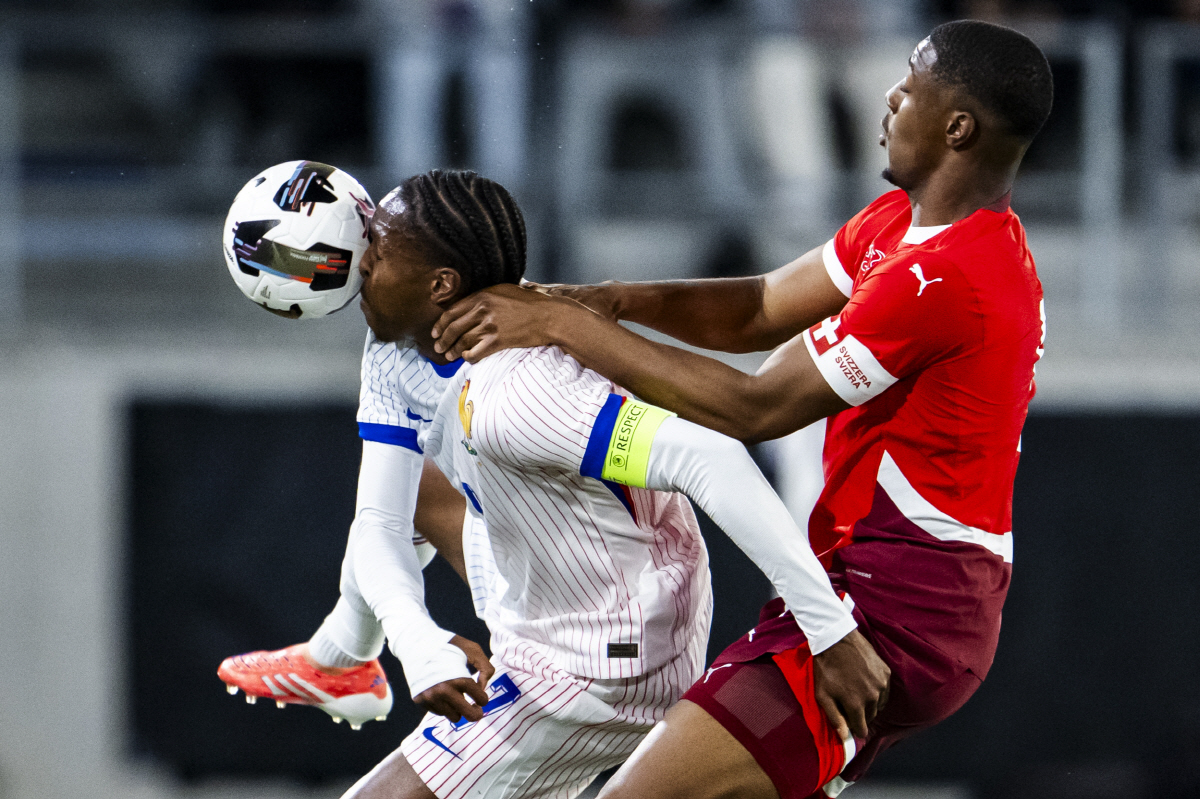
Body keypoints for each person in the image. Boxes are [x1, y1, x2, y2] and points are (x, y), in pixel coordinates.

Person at [430, 19, 1052, 798]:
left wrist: (564, 325)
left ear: (958, 126)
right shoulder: (908, 228)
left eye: (912, 83)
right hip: (895, 596)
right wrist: (611, 299)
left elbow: (753, 407)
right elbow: (759, 307)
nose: (892, 97)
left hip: (897, 616)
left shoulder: (945, 280)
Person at [220, 169, 868, 799]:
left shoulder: (521, 389)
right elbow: (381, 523)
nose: (358, 260)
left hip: (605, 655)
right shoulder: (399, 347)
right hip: (555, 576)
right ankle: (343, 655)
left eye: (379, 251)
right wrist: (417, 643)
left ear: (440, 283)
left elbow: (713, 457)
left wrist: (828, 626)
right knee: (411, 488)